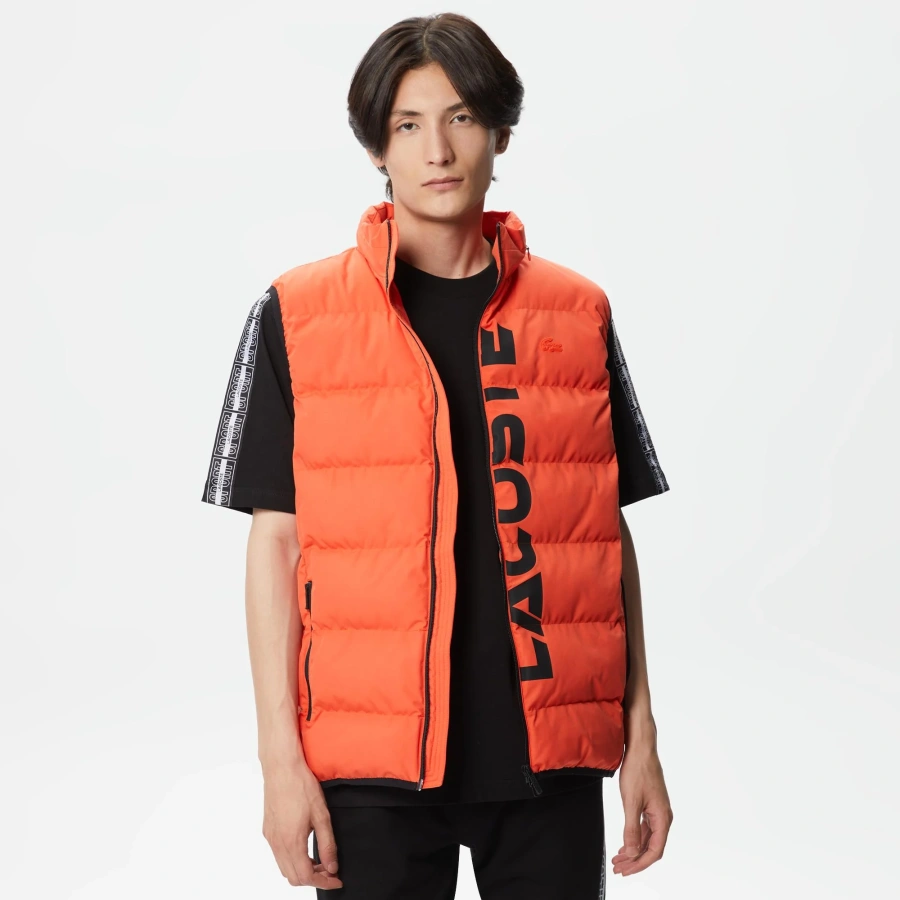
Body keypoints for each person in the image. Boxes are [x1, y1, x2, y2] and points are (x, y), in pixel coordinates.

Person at [200, 12, 673, 899]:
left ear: (501, 132)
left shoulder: (577, 313)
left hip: (549, 761)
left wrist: (640, 735)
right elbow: (276, 542)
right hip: (367, 772)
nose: (438, 150)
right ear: (376, 147)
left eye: (461, 118)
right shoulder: (299, 315)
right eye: (408, 124)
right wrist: (278, 762)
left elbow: (601, 541)